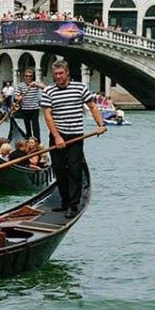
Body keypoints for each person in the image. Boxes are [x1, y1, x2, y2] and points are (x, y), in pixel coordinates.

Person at [42, 60, 106, 218]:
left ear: (67, 73)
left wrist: (101, 124)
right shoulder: (48, 91)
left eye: (60, 74)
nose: (58, 77)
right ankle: (64, 201)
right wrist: (57, 137)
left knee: (75, 171)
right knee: (59, 171)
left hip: (76, 136)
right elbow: (48, 116)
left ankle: (73, 205)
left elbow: (92, 106)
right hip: (57, 135)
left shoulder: (80, 88)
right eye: (55, 74)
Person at [15, 68, 44, 141]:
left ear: (32, 76)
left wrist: (36, 84)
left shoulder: (35, 84)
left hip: (34, 109)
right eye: (26, 76)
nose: (28, 78)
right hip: (25, 109)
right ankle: (29, 142)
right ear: (24, 77)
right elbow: (16, 96)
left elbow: (44, 87)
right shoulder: (20, 85)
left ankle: (38, 142)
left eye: (30, 76)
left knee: (35, 128)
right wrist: (19, 98)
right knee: (27, 128)